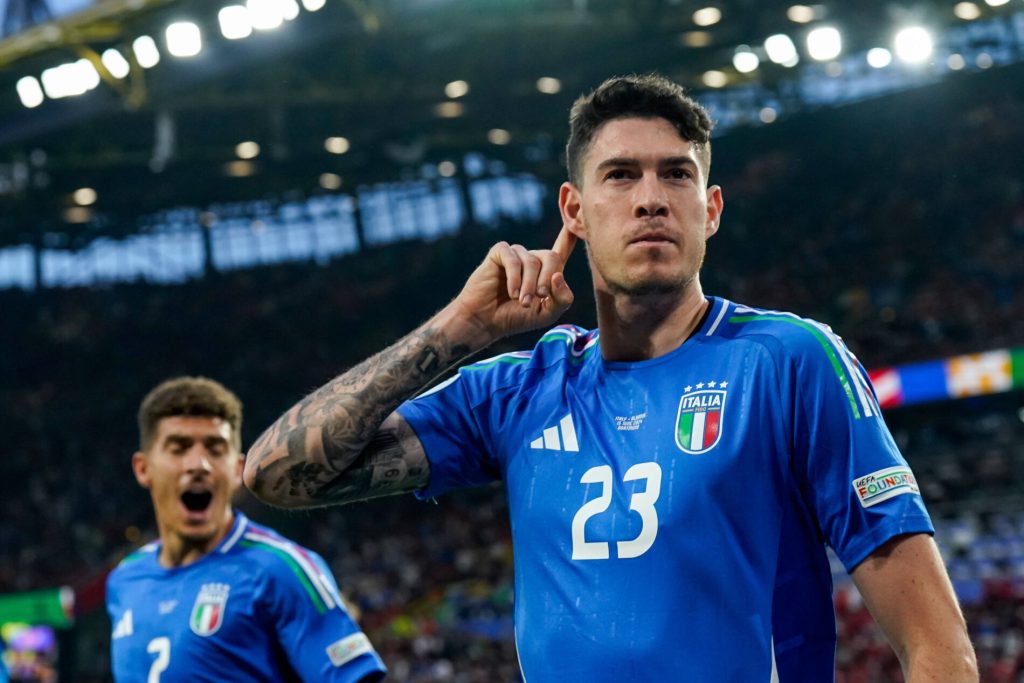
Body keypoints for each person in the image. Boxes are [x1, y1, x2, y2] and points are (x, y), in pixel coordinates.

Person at [242, 74, 977, 681]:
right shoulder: (516, 391)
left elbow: (939, 650)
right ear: (575, 211)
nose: (650, 198)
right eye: (620, 175)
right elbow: (277, 475)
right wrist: (459, 329)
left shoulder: (790, 361)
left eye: (677, 174)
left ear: (710, 210)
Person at [106, 376, 386, 682]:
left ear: (237, 470)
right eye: (179, 448)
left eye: (215, 449)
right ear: (143, 468)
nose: (199, 464)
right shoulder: (124, 579)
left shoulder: (281, 569)